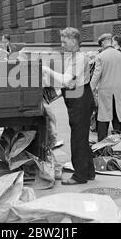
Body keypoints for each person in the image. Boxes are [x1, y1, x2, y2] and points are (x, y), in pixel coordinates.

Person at [42, 27, 95, 185]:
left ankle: (79, 176)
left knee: (78, 138)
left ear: (74, 41)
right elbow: (69, 82)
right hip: (78, 97)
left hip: (80, 100)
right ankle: (89, 172)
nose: (62, 44)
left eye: (64, 41)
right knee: (82, 137)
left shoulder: (78, 58)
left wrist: (47, 70)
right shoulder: (73, 56)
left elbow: (66, 80)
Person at [91, 34, 121, 142]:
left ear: (104, 43)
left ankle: (101, 145)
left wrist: (90, 90)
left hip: (105, 92)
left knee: (103, 120)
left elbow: (96, 76)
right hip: (120, 91)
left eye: (101, 44)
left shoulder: (100, 56)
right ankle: (118, 145)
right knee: (118, 119)